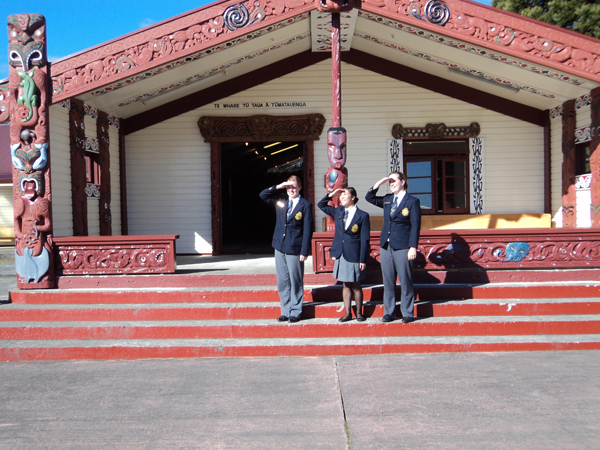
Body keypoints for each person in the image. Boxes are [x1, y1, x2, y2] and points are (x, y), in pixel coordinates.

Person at [365, 172, 421, 323]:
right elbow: (369, 197)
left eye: (393, 181)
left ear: (403, 181)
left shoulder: (412, 201)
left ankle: (407, 312)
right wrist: (379, 183)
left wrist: (412, 247)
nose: (391, 184)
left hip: (403, 246)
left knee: (405, 280)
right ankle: (389, 312)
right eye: (389, 182)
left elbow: (415, 226)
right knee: (388, 281)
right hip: (386, 246)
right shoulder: (388, 199)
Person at [259, 175, 313, 323]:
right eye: (289, 187)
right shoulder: (281, 201)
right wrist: (279, 186)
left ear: (300, 188)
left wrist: (304, 251)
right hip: (279, 246)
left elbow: (308, 230)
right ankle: (285, 310)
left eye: (294, 187)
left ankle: (295, 311)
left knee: (295, 280)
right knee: (283, 281)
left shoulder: (305, 205)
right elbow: (263, 195)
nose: (291, 190)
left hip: (295, 248)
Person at [318, 187, 370, 322]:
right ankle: (348, 313)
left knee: (357, 285)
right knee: (346, 285)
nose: (341, 197)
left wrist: (362, 259)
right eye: (340, 195)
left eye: (344, 194)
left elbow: (365, 239)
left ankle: (359, 312)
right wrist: (332, 194)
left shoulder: (362, 215)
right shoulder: (339, 211)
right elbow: (321, 205)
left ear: (353, 197)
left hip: (355, 254)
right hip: (341, 253)